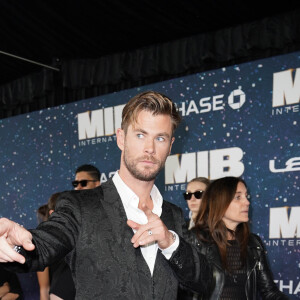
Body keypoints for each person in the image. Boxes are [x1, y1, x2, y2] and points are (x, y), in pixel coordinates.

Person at [0, 91, 212, 299]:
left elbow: (204, 281)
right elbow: (44, 245)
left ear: (170, 146)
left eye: (160, 138)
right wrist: (13, 243)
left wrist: (170, 242)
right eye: (140, 135)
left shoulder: (173, 215)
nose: (150, 148)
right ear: (121, 138)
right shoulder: (80, 206)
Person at [184, 176, 289, 299]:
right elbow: (181, 291)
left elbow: (269, 292)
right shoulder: (194, 240)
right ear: (219, 202)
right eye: (238, 197)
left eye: (246, 196)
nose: (247, 202)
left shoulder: (253, 243)